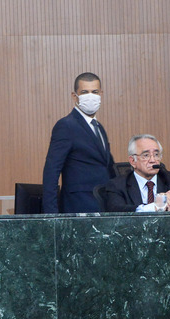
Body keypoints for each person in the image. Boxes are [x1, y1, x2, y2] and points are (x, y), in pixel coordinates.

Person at [42, 72, 115, 213]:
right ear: (74, 96)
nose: (90, 96)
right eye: (84, 92)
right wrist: (51, 216)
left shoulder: (99, 127)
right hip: (78, 207)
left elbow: (108, 167)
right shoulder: (66, 126)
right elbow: (51, 171)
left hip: (104, 206)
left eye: (95, 92)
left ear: (101, 94)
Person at [105, 134, 170, 212]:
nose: (153, 160)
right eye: (146, 155)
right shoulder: (117, 185)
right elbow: (114, 212)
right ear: (132, 161)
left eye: (156, 155)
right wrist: (155, 206)